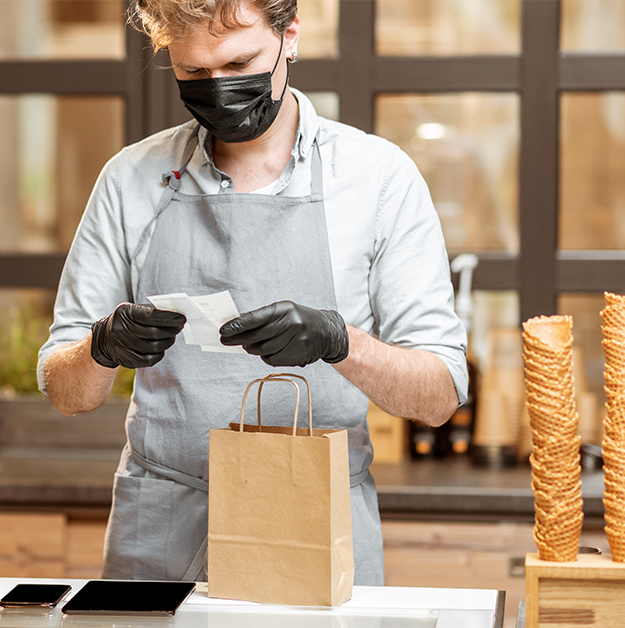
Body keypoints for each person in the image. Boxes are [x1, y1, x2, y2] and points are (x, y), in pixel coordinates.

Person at [37, 0, 466, 585]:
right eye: (194, 73)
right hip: (162, 526)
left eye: (240, 63)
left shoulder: (378, 180)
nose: (220, 90)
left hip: (315, 519)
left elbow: (438, 397)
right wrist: (102, 347)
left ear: (290, 36)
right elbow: (66, 393)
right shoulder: (129, 180)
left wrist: (339, 342)